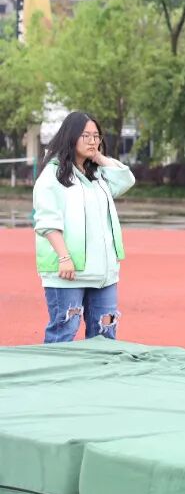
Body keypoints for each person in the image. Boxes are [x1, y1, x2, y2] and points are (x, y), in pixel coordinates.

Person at [33, 112, 135, 343]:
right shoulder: (53, 175)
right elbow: (47, 222)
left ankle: (100, 369)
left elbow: (126, 180)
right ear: (70, 137)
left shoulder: (97, 175)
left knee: (105, 334)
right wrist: (64, 257)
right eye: (86, 136)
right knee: (64, 333)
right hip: (68, 271)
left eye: (96, 136)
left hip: (103, 273)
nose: (92, 141)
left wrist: (98, 157)